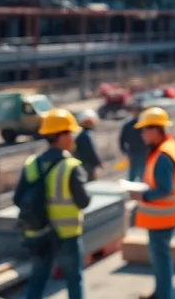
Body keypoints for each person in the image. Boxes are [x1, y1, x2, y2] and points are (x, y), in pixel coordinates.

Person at [18, 109, 89, 299]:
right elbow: (83, 202)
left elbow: (18, 198)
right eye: (70, 132)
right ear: (61, 136)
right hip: (66, 236)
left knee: (38, 279)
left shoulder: (31, 163)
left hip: (39, 233)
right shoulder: (71, 166)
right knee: (74, 280)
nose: (73, 137)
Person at [128, 107, 175, 299]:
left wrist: (141, 196)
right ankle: (160, 293)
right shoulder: (166, 147)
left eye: (144, 130)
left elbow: (163, 189)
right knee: (160, 259)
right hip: (164, 216)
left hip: (162, 218)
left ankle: (164, 295)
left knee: (161, 260)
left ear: (155, 130)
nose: (142, 134)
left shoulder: (163, 156)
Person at [119, 101, 148, 182]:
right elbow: (122, 139)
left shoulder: (146, 124)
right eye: (135, 111)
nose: (137, 113)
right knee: (132, 175)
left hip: (145, 153)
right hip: (133, 153)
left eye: (138, 111)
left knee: (143, 175)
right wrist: (124, 151)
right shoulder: (128, 125)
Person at [73, 110, 103, 182]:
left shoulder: (81, 135)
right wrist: (99, 162)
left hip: (83, 163)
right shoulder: (87, 135)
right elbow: (92, 151)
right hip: (88, 165)